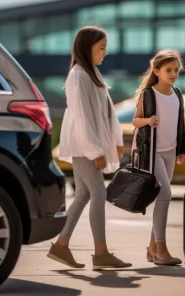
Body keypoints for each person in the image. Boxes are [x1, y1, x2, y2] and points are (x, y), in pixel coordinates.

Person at [47, 26, 132, 270]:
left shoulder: (91, 73)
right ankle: (101, 253)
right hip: (84, 146)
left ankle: (61, 246)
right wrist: (96, 152)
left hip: (87, 145)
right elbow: (83, 118)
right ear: (87, 48)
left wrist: (115, 141)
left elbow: (106, 111)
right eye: (102, 48)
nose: (105, 52)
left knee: (84, 194)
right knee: (99, 194)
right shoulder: (79, 76)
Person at [132, 49, 185, 265]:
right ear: (156, 71)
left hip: (170, 151)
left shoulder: (178, 94)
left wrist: (181, 149)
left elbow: (179, 123)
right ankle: (161, 250)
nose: (173, 74)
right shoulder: (149, 94)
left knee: (162, 198)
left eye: (176, 70)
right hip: (152, 151)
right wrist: (148, 121)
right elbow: (136, 121)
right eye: (168, 70)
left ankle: (152, 249)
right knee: (164, 195)